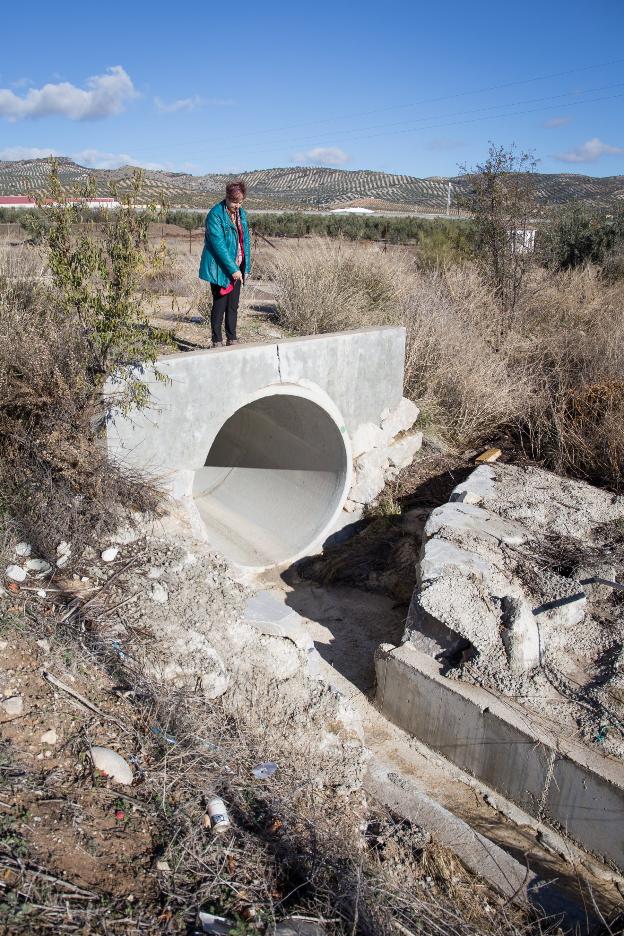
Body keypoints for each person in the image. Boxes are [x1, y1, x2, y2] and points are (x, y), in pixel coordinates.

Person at [198, 180, 251, 347]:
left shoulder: (241, 214)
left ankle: (232, 337)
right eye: (234, 202)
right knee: (220, 304)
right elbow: (219, 246)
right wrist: (233, 269)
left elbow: (246, 241)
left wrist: (245, 267)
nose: (237, 205)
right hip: (220, 267)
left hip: (237, 266)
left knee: (233, 305)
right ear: (227, 198)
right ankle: (216, 340)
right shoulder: (215, 215)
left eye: (240, 202)